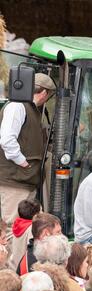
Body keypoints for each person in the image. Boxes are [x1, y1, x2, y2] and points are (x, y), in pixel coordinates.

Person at [0, 73, 56, 241]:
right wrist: (23, 162)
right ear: (45, 93)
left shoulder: (30, 109)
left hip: (24, 180)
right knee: (12, 226)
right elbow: (7, 140)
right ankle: (9, 266)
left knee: (22, 227)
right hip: (15, 180)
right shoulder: (17, 107)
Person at [10, 199, 41, 270]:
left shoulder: (17, 224)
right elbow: (31, 249)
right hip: (25, 267)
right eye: (40, 211)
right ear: (36, 215)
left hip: (16, 265)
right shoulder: (31, 228)